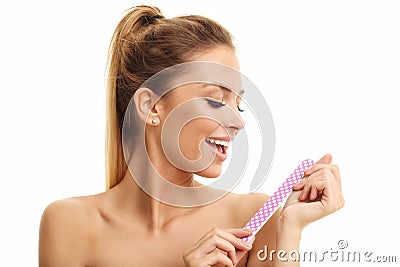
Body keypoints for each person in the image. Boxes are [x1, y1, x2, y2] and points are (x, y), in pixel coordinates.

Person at [38, 5, 344, 267]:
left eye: (238, 105)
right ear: (151, 106)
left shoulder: (252, 217)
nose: (238, 122)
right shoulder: (70, 224)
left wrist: (290, 229)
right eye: (214, 100)